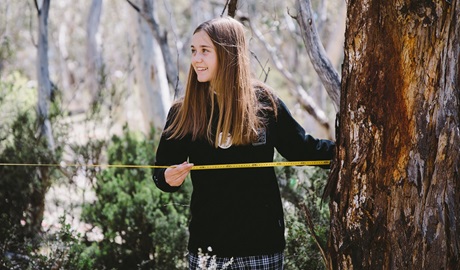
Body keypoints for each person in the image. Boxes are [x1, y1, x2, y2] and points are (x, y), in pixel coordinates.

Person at [153, 17, 335, 270]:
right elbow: (160, 172)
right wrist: (167, 178)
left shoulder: (264, 103)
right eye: (193, 51)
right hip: (208, 247)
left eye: (205, 51)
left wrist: (347, 154)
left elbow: (302, 148)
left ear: (228, 53)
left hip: (261, 244)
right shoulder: (184, 111)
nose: (196, 59)